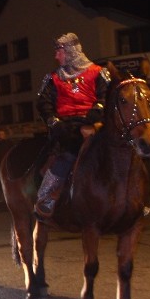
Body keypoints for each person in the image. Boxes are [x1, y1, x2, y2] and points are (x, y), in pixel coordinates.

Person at [35, 32, 109, 219]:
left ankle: (134, 198)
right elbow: (44, 103)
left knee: (122, 146)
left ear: (71, 51)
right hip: (67, 125)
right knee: (69, 152)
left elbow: (106, 95)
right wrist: (54, 121)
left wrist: (98, 110)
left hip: (94, 121)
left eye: (59, 51)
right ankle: (47, 196)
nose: (56, 56)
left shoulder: (97, 72)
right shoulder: (53, 78)